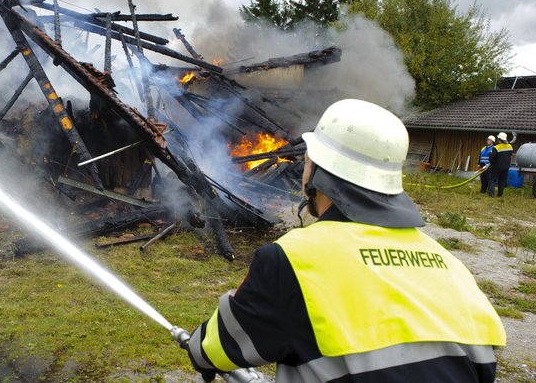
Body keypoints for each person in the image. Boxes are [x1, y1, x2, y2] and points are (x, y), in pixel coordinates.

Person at [185, 99, 505, 382]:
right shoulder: (451, 265)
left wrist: (199, 348)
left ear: (319, 172)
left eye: (309, 159)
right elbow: (484, 367)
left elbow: (221, 347)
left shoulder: (294, 259)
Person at [487, 132, 514, 197]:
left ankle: (491, 194)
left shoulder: (496, 147)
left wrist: (492, 163)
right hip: (506, 167)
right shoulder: (510, 146)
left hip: (496, 167)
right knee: (502, 181)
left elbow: (491, 157)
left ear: (499, 139)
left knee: (492, 180)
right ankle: (500, 195)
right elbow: (510, 155)